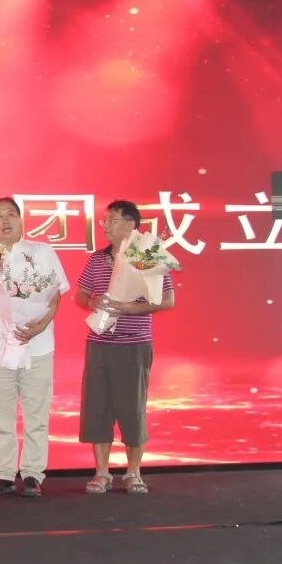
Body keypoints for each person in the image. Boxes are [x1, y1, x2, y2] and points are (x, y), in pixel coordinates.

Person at [0, 197, 69, 498]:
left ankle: (32, 474)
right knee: (1, 416)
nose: (5, 220)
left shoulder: (42, 251)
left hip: (38, 345)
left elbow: (55, 295)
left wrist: (41, 325)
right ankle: (3, 474)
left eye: (11, 214)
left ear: (21, 219)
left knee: (36, 414)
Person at [76, 200, 174, 495]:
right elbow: (81, 295)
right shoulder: (97, 259)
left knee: (132, 409)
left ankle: (134, 472)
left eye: (113, 220)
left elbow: (167, 300)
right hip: (99, 343)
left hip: (134, 344)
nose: (105, 225)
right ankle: (101, 472)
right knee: (97, 408)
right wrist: (92, 302)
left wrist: (129, 308)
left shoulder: (148, 256)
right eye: (105, 220)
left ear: (132, 225)